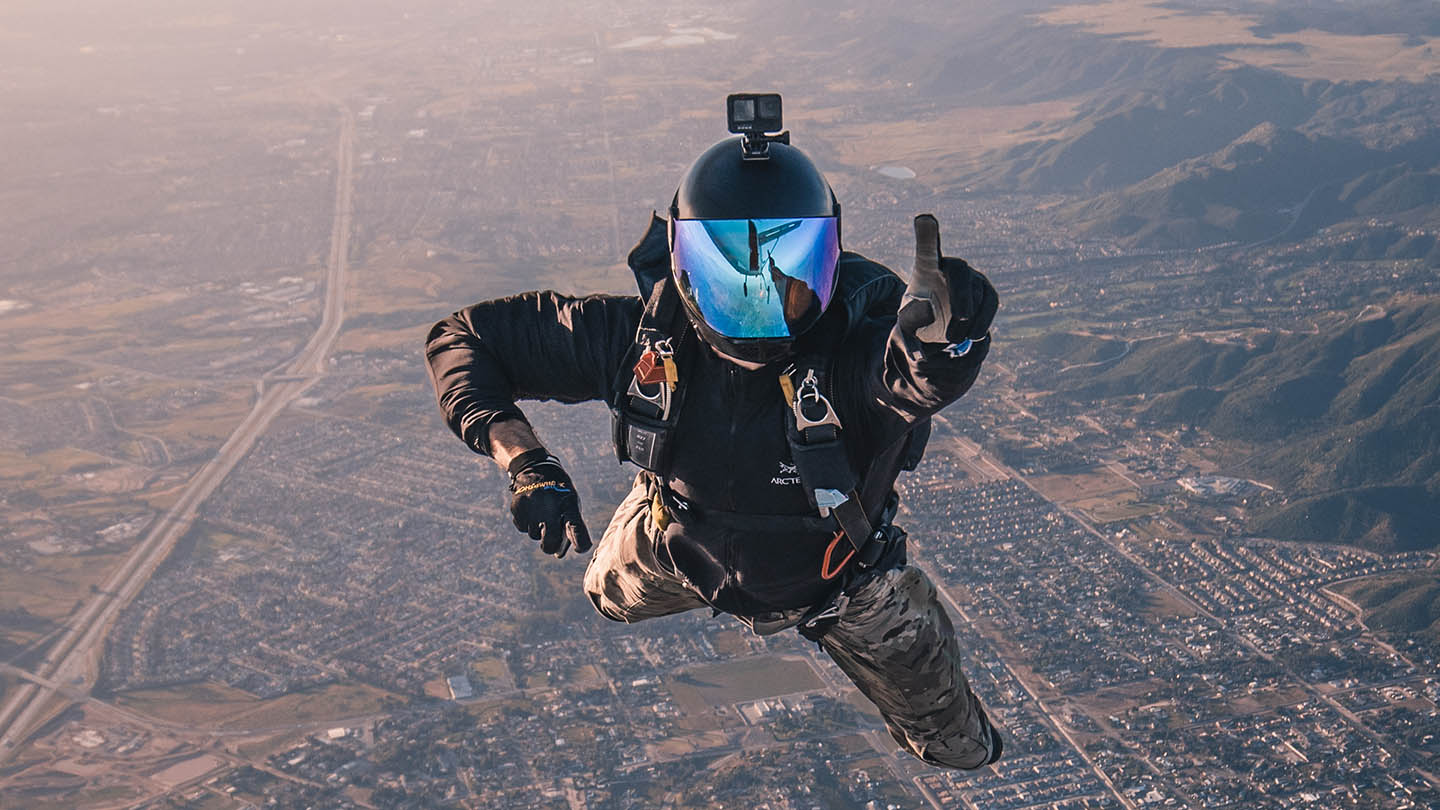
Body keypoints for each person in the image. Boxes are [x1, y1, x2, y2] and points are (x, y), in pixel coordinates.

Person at [424, 100, 1002, 769]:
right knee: (604, 595)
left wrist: (944, 343)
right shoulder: (641, 342)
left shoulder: (849, 362)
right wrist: (525, 460)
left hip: (844, 581)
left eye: (790, 270)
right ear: (684, 268)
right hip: (679, 545)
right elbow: (463, 339)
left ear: (830, 263)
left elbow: (908, 378)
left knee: (959, 750)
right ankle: (658, 510)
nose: (761, 298)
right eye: (734, 273)